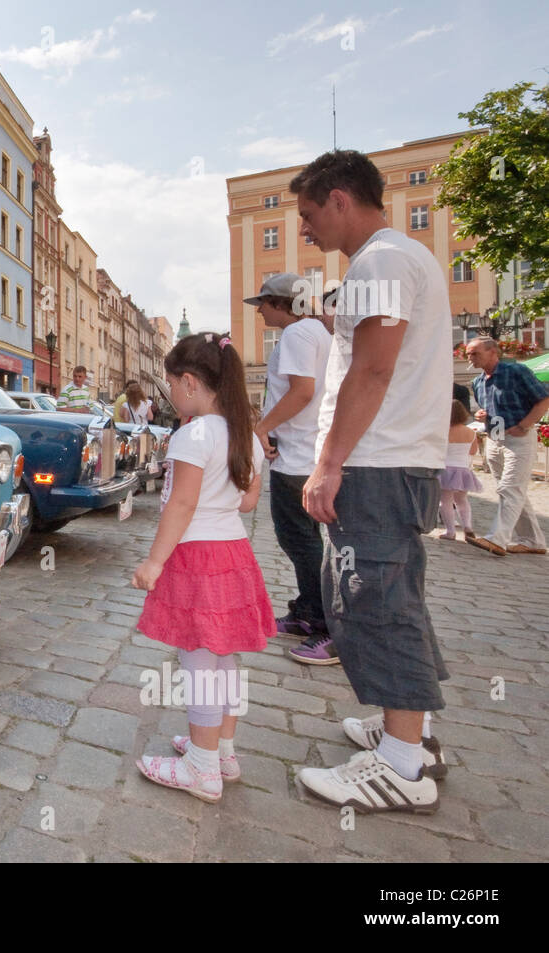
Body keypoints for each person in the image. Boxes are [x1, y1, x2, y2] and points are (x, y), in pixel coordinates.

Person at [292, 149, 453, 813]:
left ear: (338, 199)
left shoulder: (381, 260)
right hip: (391, 457)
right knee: (389, 594)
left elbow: (373, 369)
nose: (303, 230)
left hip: (378, 462)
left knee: (374, 599)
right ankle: (408, 729)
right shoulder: (395, 259)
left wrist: (329, 462)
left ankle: (399, 765)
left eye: (306, 215)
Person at [131, 332, 272, 803]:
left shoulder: (192, 435)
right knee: (223, 657)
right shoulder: (245, 434)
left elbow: (182, 504)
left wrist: (155, 561)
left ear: (189, 382)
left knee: (198, 662)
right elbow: (249, 501)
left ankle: (200, 768)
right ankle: (220, 751)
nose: (169, 392)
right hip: (233, 553)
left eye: (171, 383)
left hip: (197, 555)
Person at [245, 273, 334, 658]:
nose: (260, 309)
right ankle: (309, 610)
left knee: (298, 539)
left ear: (282, 303)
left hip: (297, 456)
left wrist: (261, 428)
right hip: (306, 451)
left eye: (263, 302)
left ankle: (325, 620)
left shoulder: (298, 335)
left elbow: (302, 391)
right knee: (303, 540)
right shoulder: (317, 332)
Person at [465, 336, 549, 556]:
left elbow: (544, 399)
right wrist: (481, 415)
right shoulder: (478, 382)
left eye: (475, 353)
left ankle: (497, 539)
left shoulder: (517, 372)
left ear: (493, 352)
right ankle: (533, 541)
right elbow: (490, 410)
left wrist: (525, 425)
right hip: (494, 440)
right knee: (514, 491)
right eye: (468, 353)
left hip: (519, 440)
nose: (469, 357)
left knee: (509, 489)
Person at [438, 399, 481, 541]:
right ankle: (467, 526)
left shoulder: (443, 431)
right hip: (463, 469)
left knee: (446, 501)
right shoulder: (471, 432)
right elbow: (473, 451)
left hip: (446, 469)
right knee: (462, 500)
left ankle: (450, 531)